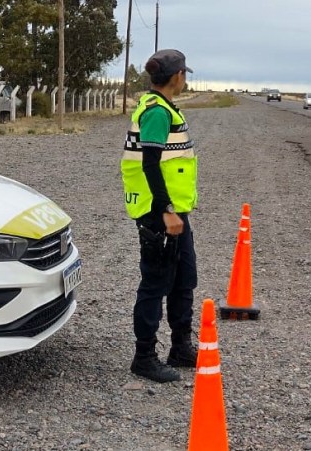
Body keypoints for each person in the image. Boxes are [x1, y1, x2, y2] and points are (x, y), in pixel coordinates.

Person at [120, 49, 199, 383]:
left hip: (174, 211)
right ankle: (144, 356)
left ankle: (180, 346)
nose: (185, 79)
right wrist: (166, 211)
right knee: (155, 284)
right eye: (185, 74)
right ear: (177, 76)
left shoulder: (165, 108)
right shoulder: (156, 113)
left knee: (183, 280)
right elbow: (151, 163)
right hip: (159, 213)